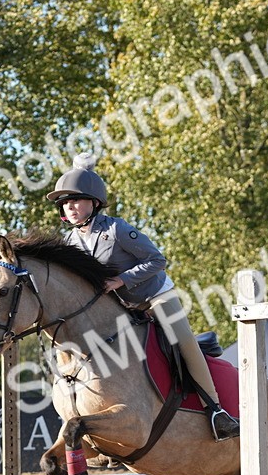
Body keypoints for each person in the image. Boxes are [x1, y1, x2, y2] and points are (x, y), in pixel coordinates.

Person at [46, 153, 239, 441]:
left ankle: (216, 410)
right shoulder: (71, 242)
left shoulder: (117, 229)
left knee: (184, 343)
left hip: (154, 295)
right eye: (65, 203)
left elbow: (157, 260)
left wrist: (121, 279)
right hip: (120, 306)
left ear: (94, 202)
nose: (69, 207)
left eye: (75, 200)